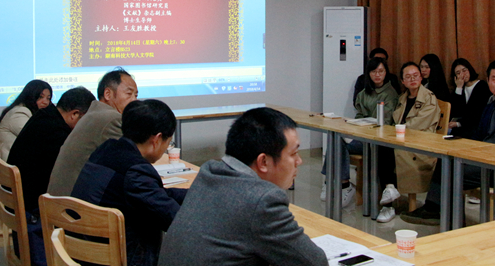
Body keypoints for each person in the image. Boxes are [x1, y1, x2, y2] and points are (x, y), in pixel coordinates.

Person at [162, 107, 327, 266]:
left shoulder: (209, 173)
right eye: (293, 153)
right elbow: (315, 262)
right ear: (263, 161)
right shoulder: (262, 201)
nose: (299, 161)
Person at [401, 59, 495, 225]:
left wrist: (487, 154)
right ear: (488, 81)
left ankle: (452, 221)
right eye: (494, 79)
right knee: (446, 161)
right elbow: (479, 135)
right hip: (488, 161)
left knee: (454, 171)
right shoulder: (492, 104)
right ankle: (436, 210)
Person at [72, 99, 186, 266]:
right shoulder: (136, 172)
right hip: (116, 258)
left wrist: (196, 194)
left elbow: (154, 196)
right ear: (157, 139)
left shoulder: (106, 150)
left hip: (82, 251)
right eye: (168, 142)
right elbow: (176, 221)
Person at [7, 87, 96, 266]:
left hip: (21, 204)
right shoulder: (57, 134)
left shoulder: (44, 116)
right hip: (34, 212)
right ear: (74, 114)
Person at [321, 57, 399, 210]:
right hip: (362, 135)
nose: (377, 75)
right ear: (368, 73)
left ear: (386, 73)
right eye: (374, 71)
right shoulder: (364, 93)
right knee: (335, 138)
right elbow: (360, 114)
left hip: (378, 141)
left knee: (338, 142)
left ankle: (334, 182)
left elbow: (385, 120)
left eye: (381, 71)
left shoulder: (390, 93)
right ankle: (342, 184)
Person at [48, 67, 138, 196]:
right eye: (129, 94)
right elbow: (134, 163)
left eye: (136, 95)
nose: (134, 100)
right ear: (108, 94)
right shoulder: (111, 119)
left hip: (58, 201)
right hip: (74, 203)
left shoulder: (94, 114)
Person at [391, 62, 441, 217]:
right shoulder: (402, 98)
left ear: (421, 77)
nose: (412, 79)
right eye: (408, 77)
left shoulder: (429, 98)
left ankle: (390, 189)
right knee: (379, 147)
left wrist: (395, 132)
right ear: (402, 81)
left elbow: (416, 126)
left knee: (394, 150)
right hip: (402, 139)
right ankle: (388, 189)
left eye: (415, 76)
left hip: (421, 144)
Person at [0, 79, 52, 160]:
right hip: (5, 165)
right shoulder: (20, 113)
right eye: (41, 97)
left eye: (48, 98)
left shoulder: (29, 112)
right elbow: (37, 139)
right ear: (30, 96)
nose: (46, 102)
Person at [448, 58, 492, 139]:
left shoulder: (482, 86)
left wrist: (458, 124)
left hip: (476, 128)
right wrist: (459, 88)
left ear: (469, 70)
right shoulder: (459, 89)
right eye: (458, 73)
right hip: (461, 129)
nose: (462, 74)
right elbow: (456, 112)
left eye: (464, 70)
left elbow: (477, 113)